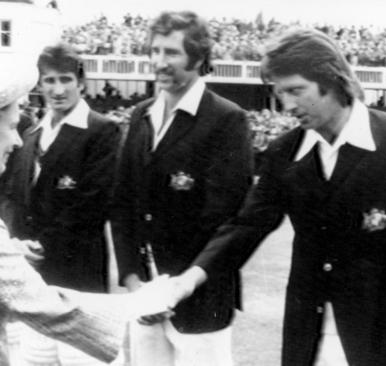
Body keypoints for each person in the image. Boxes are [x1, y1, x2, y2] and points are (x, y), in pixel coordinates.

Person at [168, 28, 386, 366]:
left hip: (383, 335)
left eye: (296, 91)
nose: (287, 105)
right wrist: (190, 279)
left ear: (332, 80)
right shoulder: (284, 152)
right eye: (279, 94)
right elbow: (247, 225)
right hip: (306, 334)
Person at [0, 66, 169, 366]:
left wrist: (5, 251)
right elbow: (38, 303)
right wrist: (137, 304)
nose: (18, 141)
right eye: (11, 127)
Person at [111, 10, 253, 366]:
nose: (159, 61)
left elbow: (228, 219)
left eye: (171, 52)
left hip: (201, 301)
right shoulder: (140, 115)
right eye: (155, 50)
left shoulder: (226, 119)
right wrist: (133, 282)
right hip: (144, 294)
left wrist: (178, 288)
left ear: (199, 57)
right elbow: (122, 205)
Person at [0, 43, 121, 366]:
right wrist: (17, 241)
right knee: (35, 360)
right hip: (34, 281)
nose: (57, 90)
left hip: (79, 279)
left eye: (65, 80)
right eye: (49, 81)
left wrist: (41, 245)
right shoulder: (31, 133)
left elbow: (92, 204)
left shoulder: (103, 130)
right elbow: (13, 197)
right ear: (40, 85)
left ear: (81, 83)